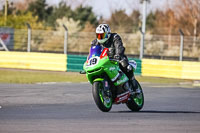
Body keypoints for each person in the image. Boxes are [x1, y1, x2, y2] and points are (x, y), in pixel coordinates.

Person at [91, 23, 138, 90]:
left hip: (116, 59)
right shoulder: (95, 42)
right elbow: (93, 53)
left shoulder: (115, 37)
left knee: (124, 65)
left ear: (108, 33)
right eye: (98, 35)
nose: (100, 37)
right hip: (104, 61)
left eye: (102, 35)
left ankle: (133, 83)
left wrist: (118, 55)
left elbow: (119, 47)